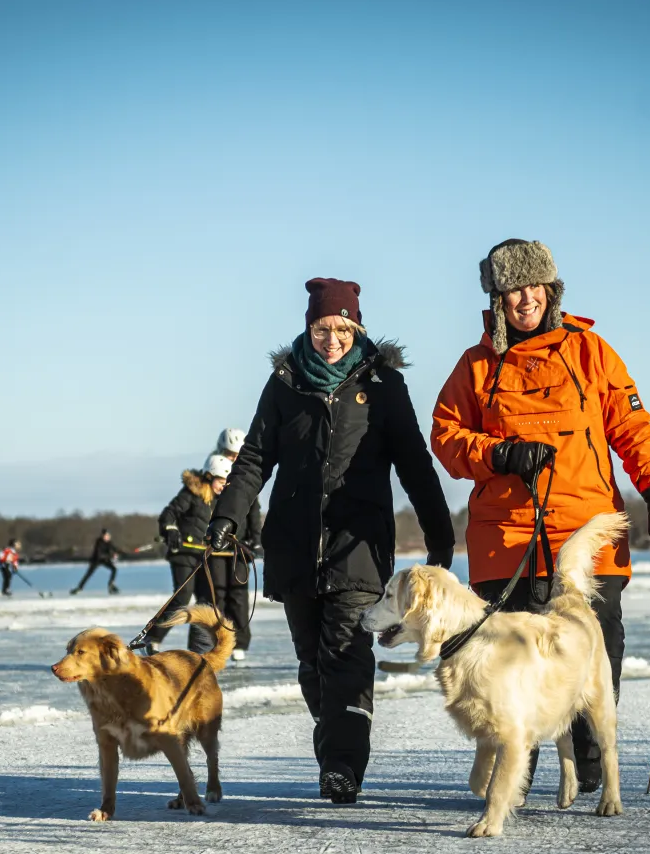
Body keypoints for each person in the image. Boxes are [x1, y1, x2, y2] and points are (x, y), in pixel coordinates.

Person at [430, 239, 650, 793]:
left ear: (551, 290)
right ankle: (515, 769)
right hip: (507, 538)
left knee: (597, 642)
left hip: (587, 531)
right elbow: (445, 437)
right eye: (513, 289)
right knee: (508, 656)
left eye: (533, 287)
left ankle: (592, 756)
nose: (525, 299)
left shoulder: (591, 351)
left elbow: (630, 426)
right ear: (497, 298)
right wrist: (499, 454)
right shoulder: (476, 366)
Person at [209, 277, 454, 804]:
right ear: (309, 328)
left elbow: (413, 461)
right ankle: (336, 748)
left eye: (343, 328)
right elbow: (254, 458)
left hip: (357, 545)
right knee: (312, 664)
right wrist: (227, 514)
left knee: (346, 653)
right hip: (294, 544)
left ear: (357, 327)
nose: (332, 339)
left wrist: (439, 532)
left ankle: (342, 767)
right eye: (323, 328)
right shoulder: (284, 384)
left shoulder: (384, 385)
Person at [156, 457, 228, 651]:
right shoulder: (192, 493)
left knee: (206, 602)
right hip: (183, 554)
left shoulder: (220, 501)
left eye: (225, 483)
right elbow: (168, 514)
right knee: (182, 596)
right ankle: (153, 638)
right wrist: (171, 529)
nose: (223, 486)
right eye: (221, 481)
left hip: (204, 557)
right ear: (209, 476)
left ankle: (197, 650)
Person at [212, 427, 262, 660]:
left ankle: (240, 642)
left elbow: (253, 509)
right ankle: (217, 640)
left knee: (239, 596)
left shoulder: (246, 474)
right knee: (217, 596)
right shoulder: (214, 471)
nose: (233, 458)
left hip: (239, 546)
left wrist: (256, 538)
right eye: (230, 454)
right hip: (216, 546)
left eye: (236, 454)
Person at [71, 528, 121, 595]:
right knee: (88, 574)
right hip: (96, 560)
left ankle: (111, 585)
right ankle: (79, 588)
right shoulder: (99, 542)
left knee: (114, 569)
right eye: (106, 535)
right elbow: (99, 555)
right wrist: (112, 555)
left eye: (109, 535)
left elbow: (115, 549)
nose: (108, 537)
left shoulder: (109, 542)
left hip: (105, 560)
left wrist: (121, 552)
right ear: (103, 536)